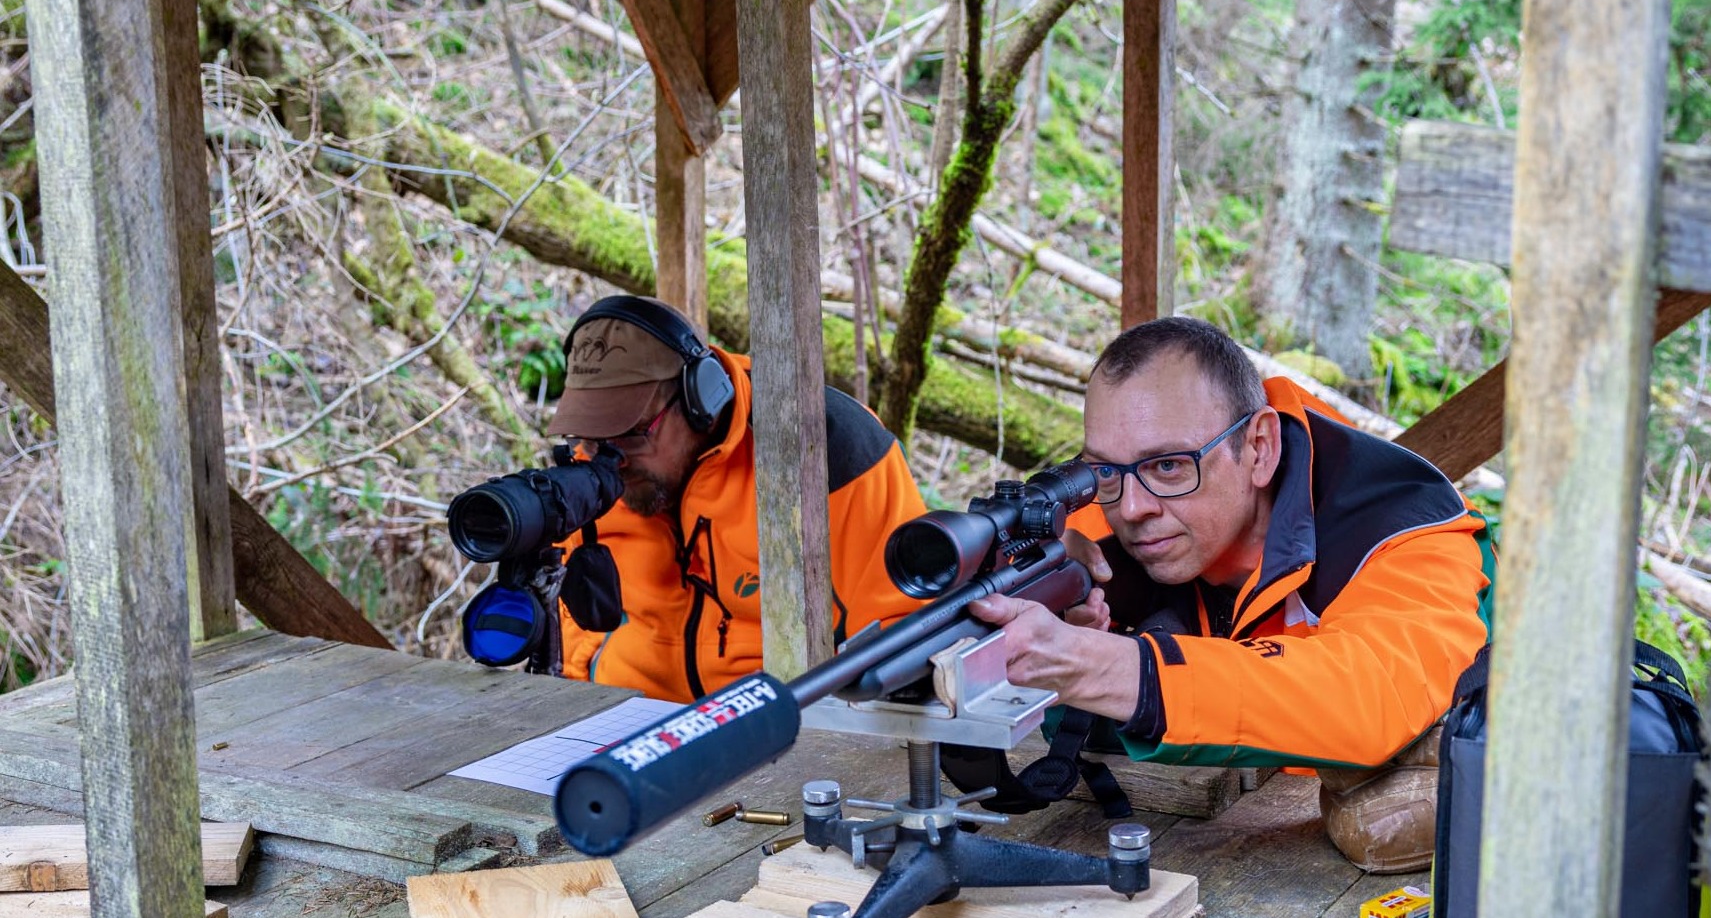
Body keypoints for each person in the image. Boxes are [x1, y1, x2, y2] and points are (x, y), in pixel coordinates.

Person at [970, 317, 1491, 872]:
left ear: (1260, 447)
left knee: (1382, 818)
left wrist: (1107, 668)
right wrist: (1043, 592)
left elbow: (1369, 697)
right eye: (1103, 470)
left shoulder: (1404, 530)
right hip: (1219, 846)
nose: (1130, 510)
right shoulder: (1129, 504)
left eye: (1168, 465)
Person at [549, 295, 928, 700]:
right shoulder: (588, 469)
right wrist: (579, 699)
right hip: (624, 725)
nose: (611, 459)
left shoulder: (828, 446)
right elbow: (566, 614)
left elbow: (905, 626)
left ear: (700, 399)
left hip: (785, 732)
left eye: (630, 433)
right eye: (590, 435)